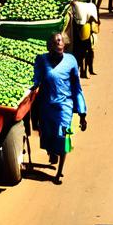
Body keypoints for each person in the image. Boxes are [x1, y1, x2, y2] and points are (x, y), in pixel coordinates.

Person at [32, 33, 87, 184]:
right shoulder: (42, 60)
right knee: (48, 135)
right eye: (56, 41)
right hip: (46, 106)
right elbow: (36, 78)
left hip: (65, 106)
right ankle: (52, 151)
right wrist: (33, 85)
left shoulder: (71, 61)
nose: (60, 43)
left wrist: (82, 114)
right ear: (50, 46)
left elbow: (77, 87)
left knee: (64, 137)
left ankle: (59, 173)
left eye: (61, 41)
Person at [71, 0, 99, 78]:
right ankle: (87, 70)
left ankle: (85, 70)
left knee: (83, 53)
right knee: (87, 52)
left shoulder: (78, 8)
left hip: (84, 35)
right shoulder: (90, 7)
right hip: (87, 35)